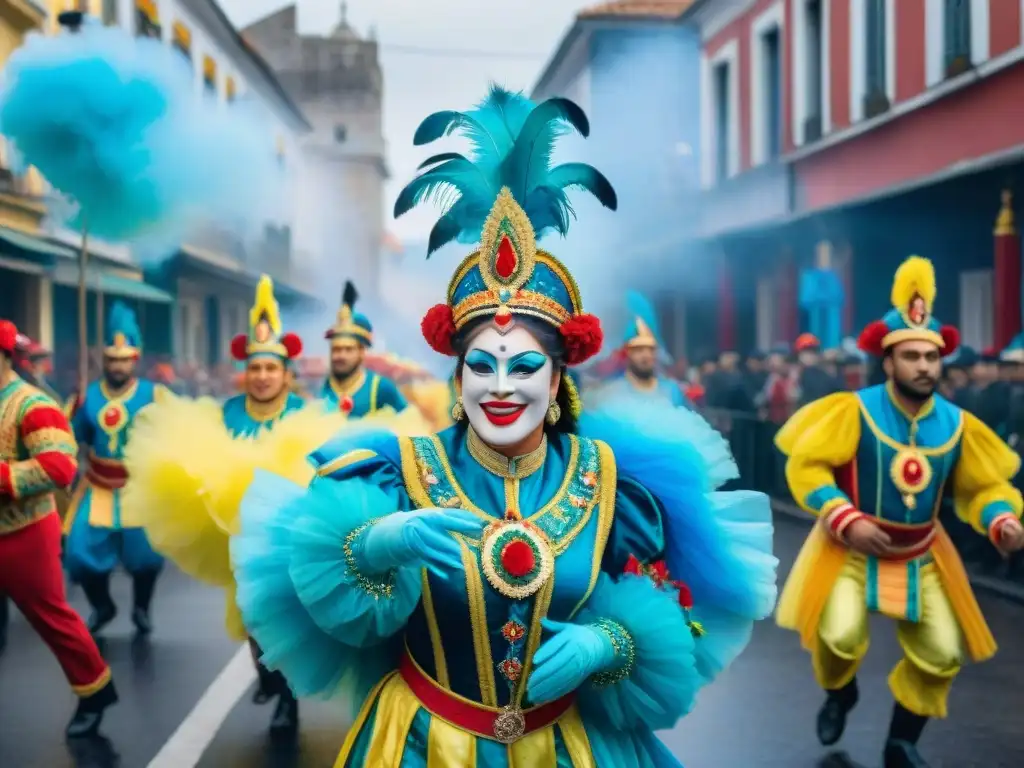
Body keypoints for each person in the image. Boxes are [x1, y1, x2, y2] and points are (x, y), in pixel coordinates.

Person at [230, 85, 777, 767]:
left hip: (568, 747)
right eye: (481, 365)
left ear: (556, 380)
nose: (500, 386)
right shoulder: (398, 472)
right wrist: (375, 544)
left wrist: (610, 642)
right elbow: (311, 589)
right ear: (457, 378)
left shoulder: (615, 487)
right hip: (423, 745)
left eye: (523, 367)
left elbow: (677, 610)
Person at [122, 275, 434, 741]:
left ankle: (286, 697)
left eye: (272, 369)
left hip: (289, 535)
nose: (264, 376)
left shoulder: (306, 416)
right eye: (256, 368)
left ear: (287, 374)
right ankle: (270, 678)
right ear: (245, 372)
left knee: (286, 615)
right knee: (250, 615)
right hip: (237, 531)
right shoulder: (223, 413)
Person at [774, 256, 1024, 768]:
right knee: (839, 638)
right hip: (849, 548)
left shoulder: (959, 425)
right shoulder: (853, 410)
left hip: (921, 555)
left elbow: (982, 488)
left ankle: (900, 742)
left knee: (943, 653)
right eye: (911, 356)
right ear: (888, 361)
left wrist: (1001, 518)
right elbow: (808, 470)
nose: (924, 367)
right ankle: (841, 694)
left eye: (932, 358)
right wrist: (846, 517)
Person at [0, 319, 118, 737]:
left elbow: (60, 467)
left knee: (52, 617)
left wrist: (3, 477)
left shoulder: (31, 404)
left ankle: (95, 690)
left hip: (23, 532)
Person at [63, 301, 167, 636]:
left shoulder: (155, 396)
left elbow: (173, 438)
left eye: (124, 360)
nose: (117, 365)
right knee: (79, 552)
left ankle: (141, 608)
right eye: (112, 360)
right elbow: (69, 439)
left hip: (138, 486)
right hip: (97, 486)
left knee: (146, 555)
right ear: (103, 361)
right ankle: (102, 606)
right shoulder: (87, 396)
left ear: (134, 360)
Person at [585, 291, 692, 409]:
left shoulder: (672, 392)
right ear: (628, 353)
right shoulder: (611, 393)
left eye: (650, 350)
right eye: (639, 350)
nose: (646, 355)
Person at [322, 280, 407, 416]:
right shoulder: (323, 389)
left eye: (348, 349)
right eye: (336, 349)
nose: (341, 355)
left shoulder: (381, 388)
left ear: (361, 352)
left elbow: (409, 425)